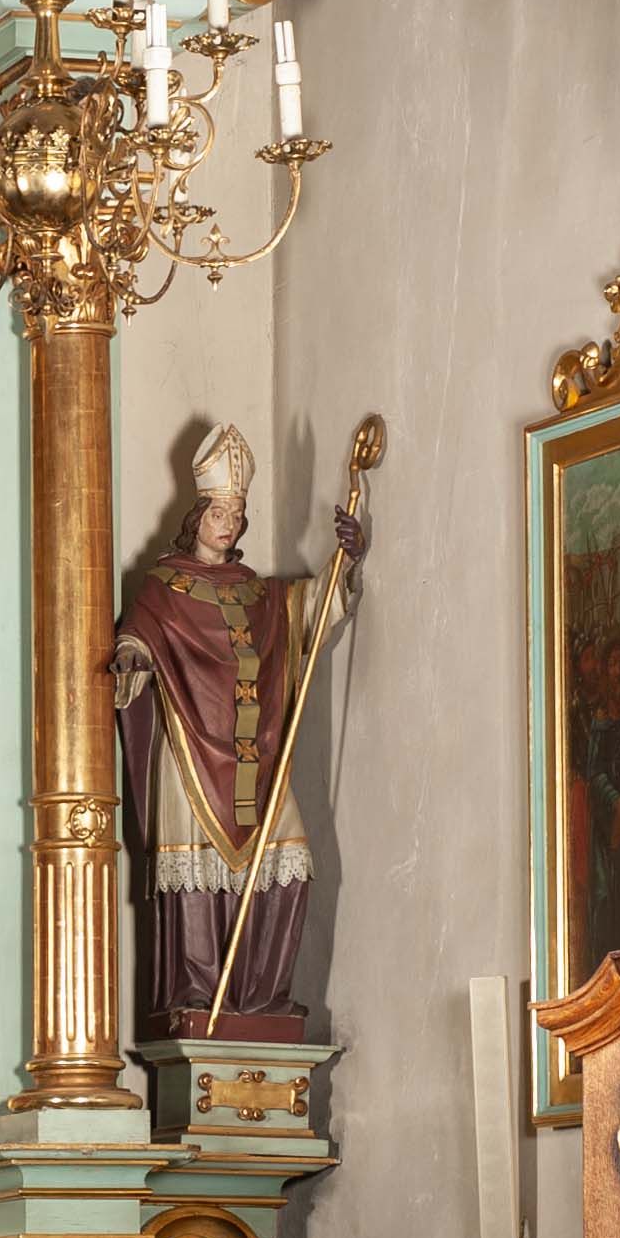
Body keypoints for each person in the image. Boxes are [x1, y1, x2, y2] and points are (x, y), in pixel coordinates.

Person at [114, 422, 365, 1036]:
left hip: (259, 757)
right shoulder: (161, 590)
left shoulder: (260, 595)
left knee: (290, 857)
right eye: (217, 512)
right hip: (190, 753)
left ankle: (261, 994)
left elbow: (314, 611)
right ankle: (198, 995)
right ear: (196, 516)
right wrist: (133, 657)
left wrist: (346, 561)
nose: (227, 524)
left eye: (236, 513)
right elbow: (135, 639)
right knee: (194, 867)